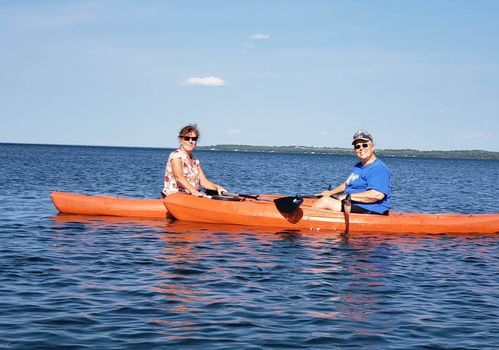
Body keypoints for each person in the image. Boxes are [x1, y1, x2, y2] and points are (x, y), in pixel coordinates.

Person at [312, 130, 391, 215]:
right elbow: (346, 184)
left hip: (370, 209)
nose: (361, 148)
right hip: (352, 203)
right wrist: (330, 193)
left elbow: (377, 195)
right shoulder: (358, 166)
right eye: (357, 146)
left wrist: (346, 197)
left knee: (325, 201)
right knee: (317, 199)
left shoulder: (378, 168)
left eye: (365, 145)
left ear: (372, 147)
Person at [162, 124, 227, 197]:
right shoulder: (176, 156)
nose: (191, 141)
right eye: (187, 138)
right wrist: (194, 191)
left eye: (194, 139)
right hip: (175, 197)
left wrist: (217, 187)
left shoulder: (194, 160)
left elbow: (204, 182)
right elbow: (179, 178)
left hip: (191, 197)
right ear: (180, 140)